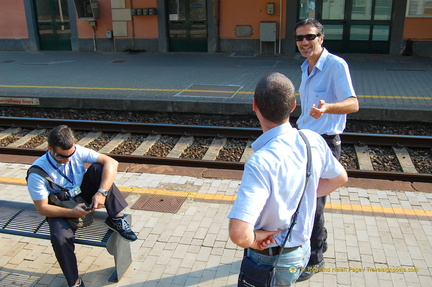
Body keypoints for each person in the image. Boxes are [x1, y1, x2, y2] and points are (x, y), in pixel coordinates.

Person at [228, 72, 348, 285]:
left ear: (254, 105)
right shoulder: (312, 139)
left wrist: (254, 240)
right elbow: (339, 178)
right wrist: (304, 193)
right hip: (301, 251)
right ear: (293, 105)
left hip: (270, 256)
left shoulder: (260, 163)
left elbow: (239, 234)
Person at [26, 125, 137, 287]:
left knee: (100, 168)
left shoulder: (76, 151)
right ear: (49, 149)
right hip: (61, 205)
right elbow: (42, 208)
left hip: (82, 194)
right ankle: (75, 282)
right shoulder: (37, 173)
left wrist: (101, 193)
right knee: (59, 239)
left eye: (71, 154)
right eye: (62, 157)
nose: (68, 160)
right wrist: (71, 212)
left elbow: (112, 162)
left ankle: (116, 218)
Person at [294, 18, 359, 282]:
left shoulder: (335, 65)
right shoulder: (305, 67)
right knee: (307, 199)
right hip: (304, 140)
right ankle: (318, 243)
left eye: (309, 37)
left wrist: (327, 108)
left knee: (314, 203)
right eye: (299, 38)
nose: (304, 42)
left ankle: (315, 259)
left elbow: (353, 104)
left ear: (321, 38)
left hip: (324, 143)